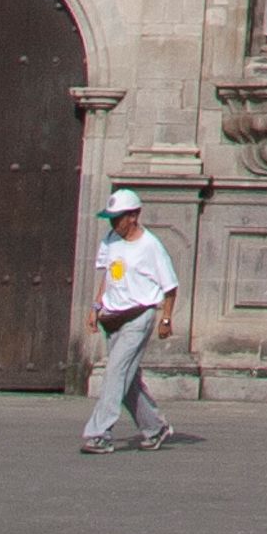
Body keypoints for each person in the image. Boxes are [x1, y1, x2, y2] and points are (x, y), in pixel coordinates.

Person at [80, 190, 179, 452]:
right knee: (127, 378)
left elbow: (170, 286)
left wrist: (166, 318)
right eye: (111, 219)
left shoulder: (151, 246)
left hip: (140, 315)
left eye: (118, 218)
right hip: (114, 317)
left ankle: (99, 433)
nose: (113, 224)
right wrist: (96, 306)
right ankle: (155, 428)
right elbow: (108, 278)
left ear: (134, 216)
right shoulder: (111, 239)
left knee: (115, 372)